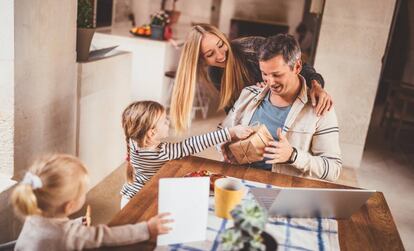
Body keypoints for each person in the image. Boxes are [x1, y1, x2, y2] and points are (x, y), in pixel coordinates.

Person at [220, 34, 342, 181]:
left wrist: (293, 155)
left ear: (297, 67)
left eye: (277, 75)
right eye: (265, 74)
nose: (270, 82)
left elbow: (333, 170)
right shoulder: (248, 94)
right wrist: (227, 146)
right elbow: (222, 133)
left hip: (282, 190)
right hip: (237, 183)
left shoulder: (320, 108)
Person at [170, 23, 333, 132]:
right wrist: (253, 96)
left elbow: (301, 66)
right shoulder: (215, 74)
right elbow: (234, 112)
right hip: (255, 128)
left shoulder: (253, 47)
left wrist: (316, 85)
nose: (220, 56)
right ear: (202, 60)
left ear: (224, 38)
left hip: (285, 115)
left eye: (220, 45)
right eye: (210, 54)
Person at [11, 154, 172, 251]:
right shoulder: (70, 234)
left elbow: (55, 231)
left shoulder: (33, 215)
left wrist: (77, 223)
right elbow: (105, 236)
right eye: (82, 193)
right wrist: (147, 229)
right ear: (70, 206)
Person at [120, 100, 252, 208]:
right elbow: (192, 144)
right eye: (164, 121)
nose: (168, 122)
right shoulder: (163, 153)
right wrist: (230, 132)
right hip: (146, 197)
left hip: (130, 192)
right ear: (152, 133)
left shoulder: (133, 140)